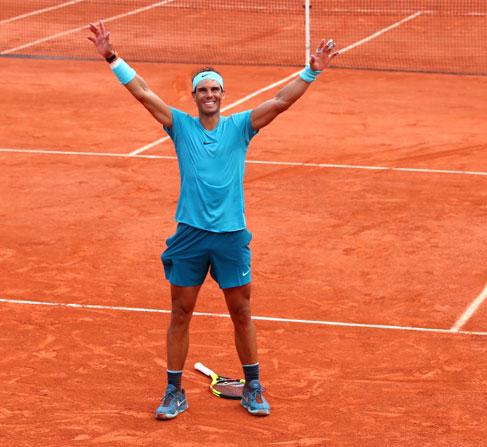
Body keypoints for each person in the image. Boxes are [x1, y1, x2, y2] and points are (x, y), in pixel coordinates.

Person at [88, 20, 338, 420]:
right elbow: (142, 93)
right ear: (194, 96)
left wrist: (311, 71)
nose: (209, 95)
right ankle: (174, 391)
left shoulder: (241, 126)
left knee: (242, 312)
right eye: (203, 89)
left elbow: (279, 102)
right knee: (180, 313)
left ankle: (253, 385)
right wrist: (111, 57)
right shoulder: (179, 126)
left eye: (215, 89)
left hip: (230, 236)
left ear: (223, 95)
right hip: (190, 235)